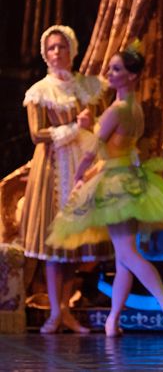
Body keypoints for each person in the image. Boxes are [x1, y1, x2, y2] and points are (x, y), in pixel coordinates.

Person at [46, 45, 163, 338]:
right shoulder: (135, 108)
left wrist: (79, 177)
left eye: (117, 69)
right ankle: (113, 320)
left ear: (132, 76)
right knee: (123, 257)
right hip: (129, 177)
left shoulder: (116, 110)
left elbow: (92, 151)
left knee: (127, 253)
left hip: (116, 182)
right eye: (111, 68)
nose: (110, 73)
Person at [20, 25, 112, 333]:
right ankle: (55, 312)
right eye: (52, 48)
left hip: (82, 165)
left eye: (62, 46)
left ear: (72, 50)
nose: (57, 52)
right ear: (45, 54)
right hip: (52, 167)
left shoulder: (86, 87)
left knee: (74, 244)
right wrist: (74, 127)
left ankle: (66, 309)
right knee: (53, 242)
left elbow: (101, 124)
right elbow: (37, 134)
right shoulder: (40, 91)